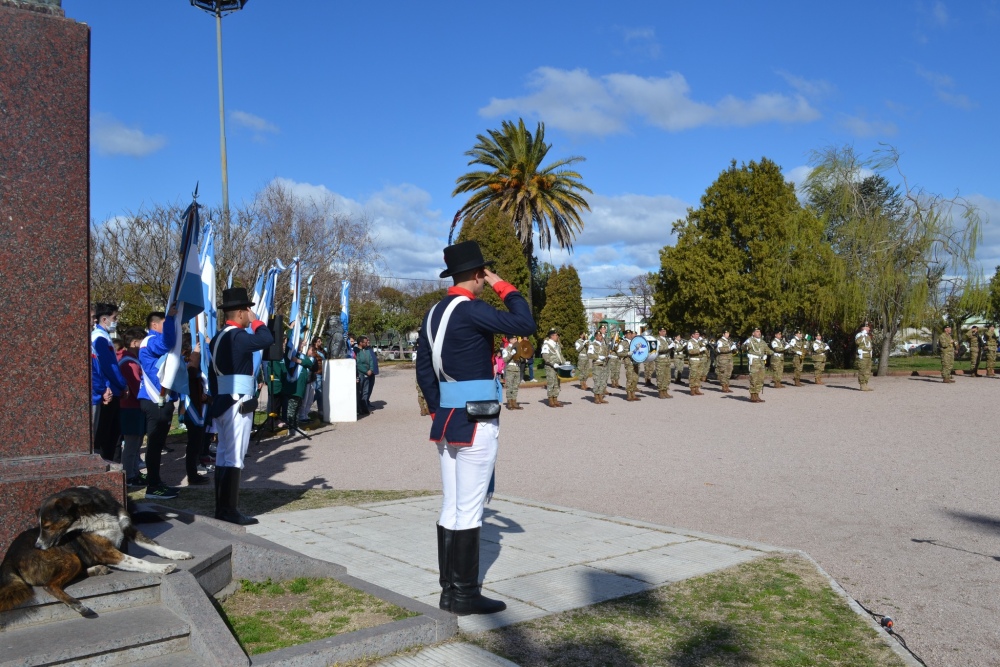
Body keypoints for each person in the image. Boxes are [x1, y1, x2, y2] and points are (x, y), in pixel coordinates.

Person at [416, 240, 534, 616]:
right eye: (483, 273)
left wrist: (439, 409)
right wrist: (504, 285)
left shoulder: (433, 313)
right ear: (476, 274)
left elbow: (423, 371)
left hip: (448, 419)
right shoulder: (471, 309)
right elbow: (524, 323)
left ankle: (450, 591)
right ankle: (464, 595)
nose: (485, 279)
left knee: (451, 506)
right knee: (469, 510)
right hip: (476, 421)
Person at [208, 287, 274, 525]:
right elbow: (267, 339)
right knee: (235, 457)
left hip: (224, 401)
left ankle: (221, 509)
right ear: (241, 312)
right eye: (249, 310)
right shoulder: (237, 336)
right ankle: (230, 511)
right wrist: (258, 323)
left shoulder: (218, 338)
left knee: (224, 456)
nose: (251, 315)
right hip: (238, 402)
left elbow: (212, 375)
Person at [138, 308, 179, 499]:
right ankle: (153, 487)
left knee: (158, 443)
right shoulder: (149, 341)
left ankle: (157, 483)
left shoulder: (151, 340)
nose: (168, 327)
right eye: (164, 323)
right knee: (154, 444)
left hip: (161, 400)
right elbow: (166, 343)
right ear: (155, 325)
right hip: (155, 400)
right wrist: (171, 318)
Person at [91, 303, 127, 462]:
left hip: (111, 389)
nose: (116, 321)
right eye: (114, 318)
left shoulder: (104, 336)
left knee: (113, 434)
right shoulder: (99, 338)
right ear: (104, 319)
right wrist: (122, 384)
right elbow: (109, 366)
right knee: (107, 436)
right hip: (107, 391)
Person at [117, 326, 147, 487]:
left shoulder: (131, 360)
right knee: (132, 445)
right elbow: (137, 387)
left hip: (134, 407)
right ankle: (129, 475)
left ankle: (135, 472)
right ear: (135, 343)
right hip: (131, 407)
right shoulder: (129, 362)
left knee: (136, 444)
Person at [182, 338, 211, 486]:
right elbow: (191, 373)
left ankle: (194, 472)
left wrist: (206, 397)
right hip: (191, 409)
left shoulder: (197, 363)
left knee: (197, 443)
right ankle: (192, 475)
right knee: (193, 444)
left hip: (200, 406)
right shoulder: (186, 363)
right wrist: (196, 354)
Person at [283, 337, 316, 431]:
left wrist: (299, 361)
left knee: (297, 407)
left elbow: (309, 363)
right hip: (293, 387)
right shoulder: (290, 355)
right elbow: (288, 360)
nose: (303, 345)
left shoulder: (301, 356)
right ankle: (291, 427)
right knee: (292, 408)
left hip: (301, 387)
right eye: (301, 344)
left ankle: (295, 426)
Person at [541, 328, 566, 408]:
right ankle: (550, 400)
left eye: (557, 335)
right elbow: (545, 356)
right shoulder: (546, 345)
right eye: (555, 335)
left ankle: (555, 399)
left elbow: (560, 355)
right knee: (551, 383)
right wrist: (552, 363)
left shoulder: (557, 345)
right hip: (550, 367)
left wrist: (564, 362)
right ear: (551, 336)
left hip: (558, 366)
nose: (557, 336)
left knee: (557, 384)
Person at [744, 327, 768, 403]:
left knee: (760, 379)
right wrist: (746, 345)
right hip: (754, 361)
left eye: (759, 331)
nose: (759, 333)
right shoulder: (750, 340)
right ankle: (752, 396)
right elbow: (743, 347)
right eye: (757, 331)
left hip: (761, 361)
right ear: (753, 333)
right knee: (753, 378)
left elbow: (767, 349)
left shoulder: (762, 342)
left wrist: (771, 353)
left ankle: (757, 395)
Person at [588, 328, 610, 404]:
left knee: (602, 381)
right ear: (596, 337)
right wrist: (598, 357)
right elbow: (590, 355)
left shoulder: (604, 345)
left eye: (601, 336)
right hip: (597, 365)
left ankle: (601, 396)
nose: (601, 337)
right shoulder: (592, 345)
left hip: (603, 365)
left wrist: (609, 356)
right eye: (599, 336)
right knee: (597, 382)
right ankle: (596, 397)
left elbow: (606, 353)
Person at [501, 335, 523, 410]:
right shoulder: (506, 349)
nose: (516, 340)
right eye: (514, 339)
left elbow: (521, 359)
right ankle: (509, 403)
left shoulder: (518, 349)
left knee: (515, 386)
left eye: (516, 339)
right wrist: (511, 353)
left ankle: (514, 402)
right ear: (510, 340)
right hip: (510, 369)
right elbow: (505, 360)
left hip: (517, 368)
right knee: (509, 386)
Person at [356, 335, 375, 415]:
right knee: (359, 392)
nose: (367, 343)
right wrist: (365, 371)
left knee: (365, 392)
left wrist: (371, 369)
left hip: (368, 374)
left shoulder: (367, 350)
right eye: (365, 342)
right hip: (361, 374)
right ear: (360, 343)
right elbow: (359, 363)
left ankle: (365, 407)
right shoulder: (357, 351)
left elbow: (371, 360)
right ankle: (359, 408)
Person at [685, 331, 708, 396]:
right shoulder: (690, 342)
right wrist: (700, 350)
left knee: (698, 375)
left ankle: (697, 388)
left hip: (699, 360)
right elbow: (690, 351)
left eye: (698, 334)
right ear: (693, 335)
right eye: (696, 334)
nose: (698, 335)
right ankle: (692, 389)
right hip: (694, 360)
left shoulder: (699, 342)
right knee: (693, 375)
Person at [621, 330, 642, 401]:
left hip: (635, 362)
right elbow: (619, 353)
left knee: (635, 378)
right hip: (629, 362)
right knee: (630, 378)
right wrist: (627, 353)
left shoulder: (634, 342)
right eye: (628, 334)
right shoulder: (623, 343)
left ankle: (633, 394)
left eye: (631, 334)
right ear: (625, 335)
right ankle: (629, 394)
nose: (630, 335)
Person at [654, 327, 673, 399]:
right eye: (662, 331)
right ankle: (660, 392)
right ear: (659, 332)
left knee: (667, 376)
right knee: (660, 376)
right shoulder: (657, 340)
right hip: (660, 359)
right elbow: (659, 349)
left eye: (665, 331)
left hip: (667, 359)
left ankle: (665, 391)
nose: (664, 332)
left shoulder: (667, 339)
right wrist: (669, 347)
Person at [856, 324, 874, 391]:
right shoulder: (859, 335)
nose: (868, 329)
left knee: (868, 370)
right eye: (867, 328)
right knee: (862, 370)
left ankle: (866, 384)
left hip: (868, 355)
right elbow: (857, 342)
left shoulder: (867, 336)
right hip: (863, 355)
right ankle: (862, 384)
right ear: (863, 328)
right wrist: (862, 335)